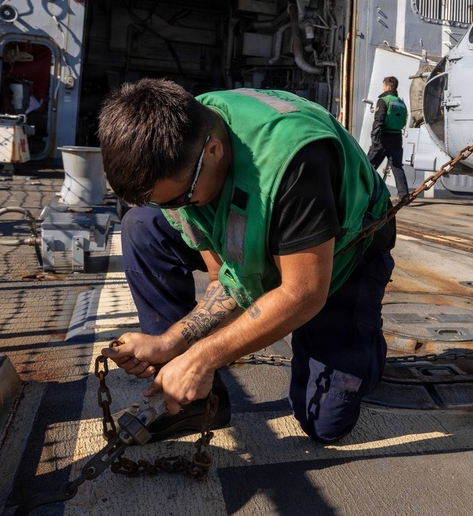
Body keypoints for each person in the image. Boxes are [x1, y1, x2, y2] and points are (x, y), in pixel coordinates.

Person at [97, 79, 395, 444]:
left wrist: (204, 357)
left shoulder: (294, 160)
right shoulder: (186, 133)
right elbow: (226, 278)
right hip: (265, 221)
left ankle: (362, 346)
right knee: (142, 225)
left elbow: (304, 293)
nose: (174, 211)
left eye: (179, 199)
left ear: (214, 151)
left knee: (325, 425)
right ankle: (194, 400)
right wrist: (171, 343)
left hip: (343, 252)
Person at [366, 76, 410, 202]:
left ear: (388, 87)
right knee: (397, 167)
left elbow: (378, 120)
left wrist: (375, 138)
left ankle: (364, 193)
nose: (383, 88)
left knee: (369, 166)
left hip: (383, 137)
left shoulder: (384, 100)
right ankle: (404, 195)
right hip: (397, 137)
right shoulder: (401, 103)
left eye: (384, 85)